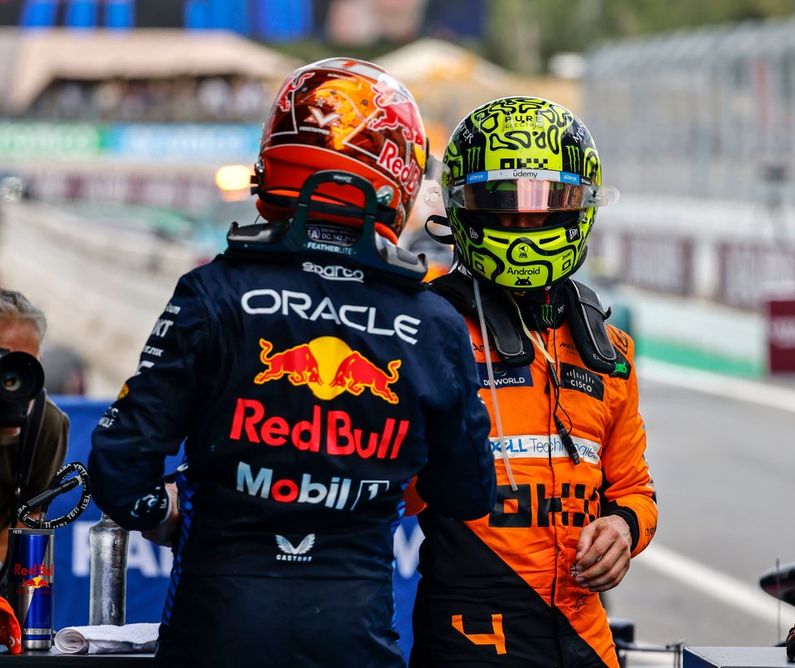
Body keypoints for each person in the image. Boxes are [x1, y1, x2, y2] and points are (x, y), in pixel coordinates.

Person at [89, 58, 496, 668]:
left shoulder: (214, 291)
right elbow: (467, 493)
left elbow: (120, 469)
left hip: (217, 624)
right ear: (398, 174)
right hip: (354, 633)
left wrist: (168, 511)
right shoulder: (434, 322)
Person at [409, 96, 658, 667]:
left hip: (585, 637)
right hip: (468, 633)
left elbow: (635, 492)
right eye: (504, 208)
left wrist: (623, 527)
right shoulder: (421, 329)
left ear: (580, 208)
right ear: (461, 210)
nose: (526, 225)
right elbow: (380, 491)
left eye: (547, 209)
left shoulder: (608, 349)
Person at [0, 290, 68, 565]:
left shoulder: (46, 424)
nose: (14, 382)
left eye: (28, 366)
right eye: (5, 363)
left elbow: (27, 525)